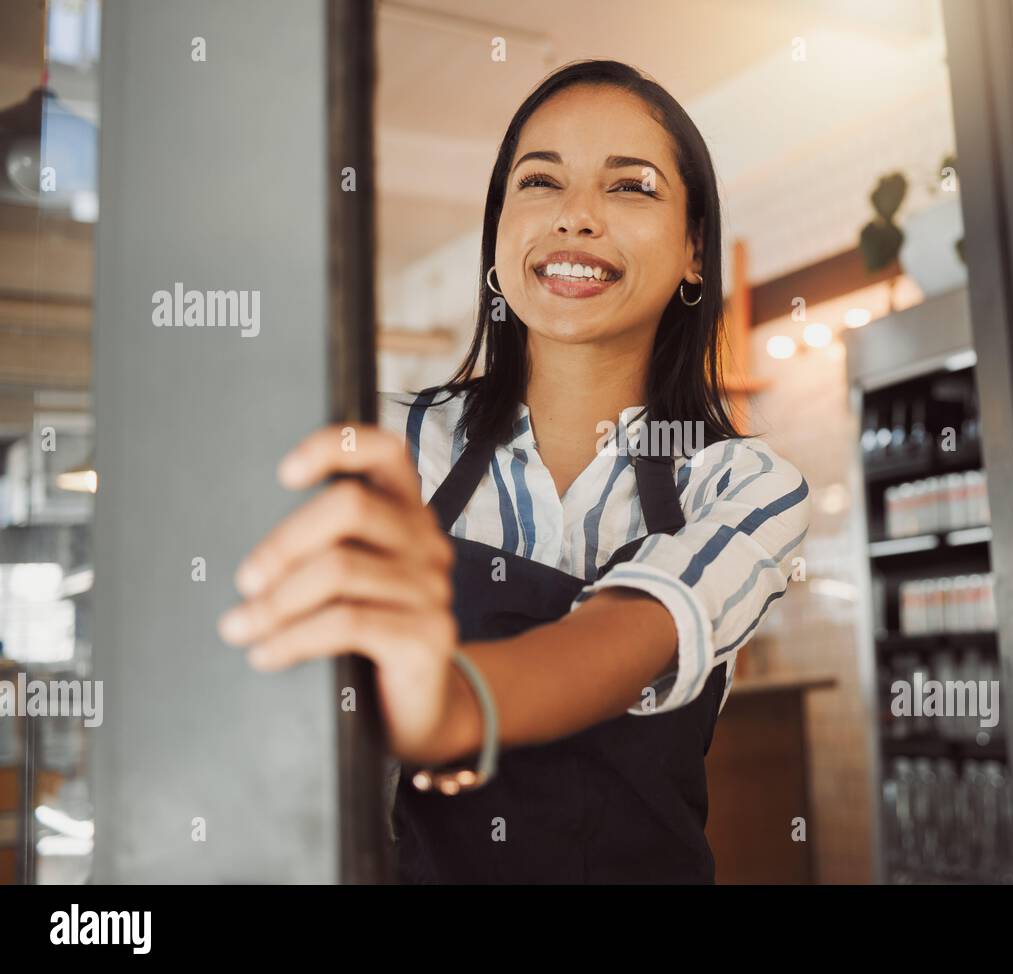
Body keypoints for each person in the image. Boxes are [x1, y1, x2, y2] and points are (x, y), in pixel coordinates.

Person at [217, 59, 810, 884]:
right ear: (499, 234)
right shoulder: (386, 445)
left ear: (694, 252)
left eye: (629, 188)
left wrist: (452, 704)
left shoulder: (744, 484)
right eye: (540, 183)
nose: (575, 217)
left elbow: (628, 631)